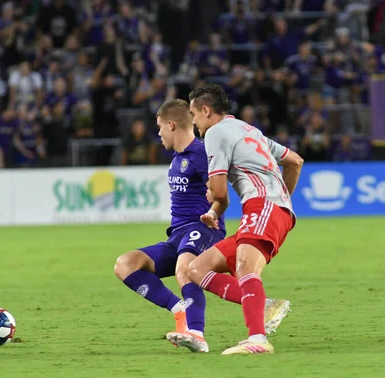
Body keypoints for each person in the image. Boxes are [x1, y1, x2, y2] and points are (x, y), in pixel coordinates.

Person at [114, 99, 290, 354]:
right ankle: (182, 310)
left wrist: (212, 210)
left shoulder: (200, 154)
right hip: (177, 235)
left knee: (185, 267)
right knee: (125, 264)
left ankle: (196, 332)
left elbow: (221, 193)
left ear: (171, 125)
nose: (159, 133)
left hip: (203, 229)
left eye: (160, 127)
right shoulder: (177, 158)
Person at [168, 84, 304, 355]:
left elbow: (219, 192)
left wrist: (267, 202)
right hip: (267, 208)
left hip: (262, 206)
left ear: (206, 110)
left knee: (245, 267)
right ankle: (263, 306)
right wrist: (281, 201)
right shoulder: (248, 130)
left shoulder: (216, 133)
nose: (193, 123)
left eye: (194, 115)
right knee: (195, 270)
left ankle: (258, 338)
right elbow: (295, 161)